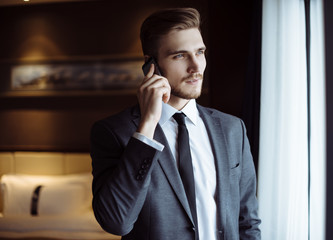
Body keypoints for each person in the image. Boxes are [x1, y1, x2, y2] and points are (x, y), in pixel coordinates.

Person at [90, 8, 261, 240]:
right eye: (180, 55)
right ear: (151, 65)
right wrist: (148, 124)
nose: (195, 67)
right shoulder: (114, 132)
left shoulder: (232, 129)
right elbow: (116, 222)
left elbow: (248, 221)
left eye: (199, 52)